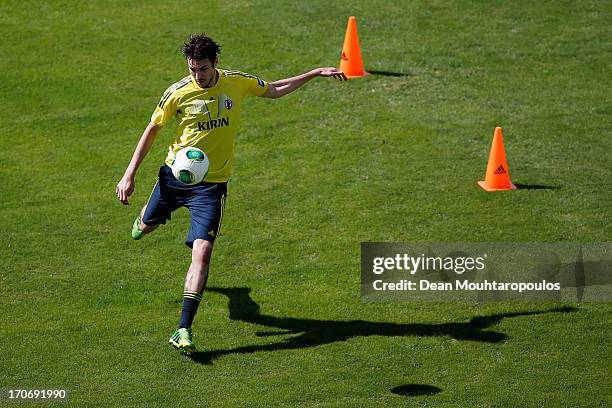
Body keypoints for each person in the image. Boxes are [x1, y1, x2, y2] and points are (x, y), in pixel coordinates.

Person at [115, 33, 346, 353]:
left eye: (204, 68)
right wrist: (129, 175)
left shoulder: (236, 83)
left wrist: (313, 74)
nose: (198, 75)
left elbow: (275, 89)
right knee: (147, 226)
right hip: (174, 179)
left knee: (203, 251)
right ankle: (145, 221)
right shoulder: (177, 94)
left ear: (215, 63)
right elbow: (152, 130)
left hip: (210, 187)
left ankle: (183, 328)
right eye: (193, 69)